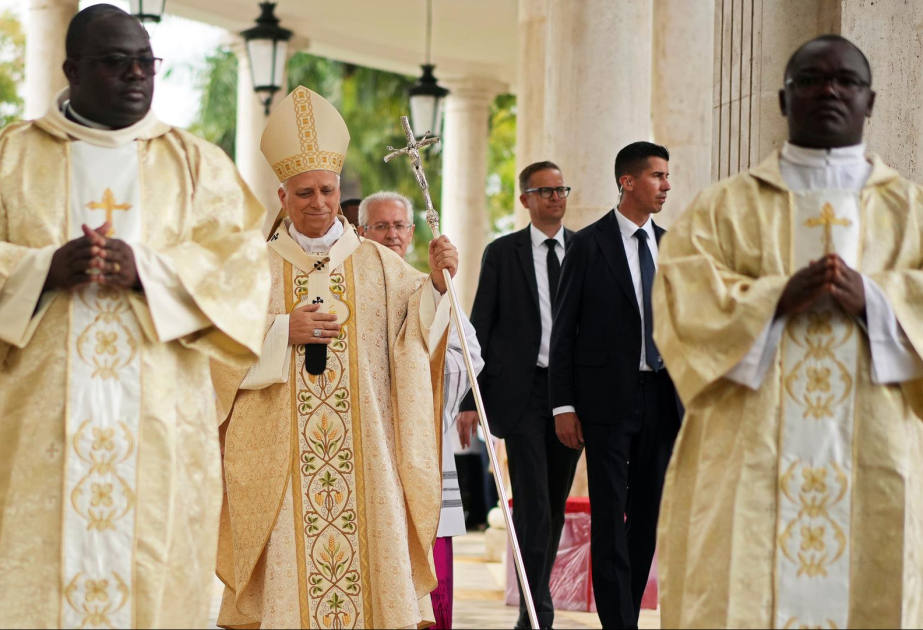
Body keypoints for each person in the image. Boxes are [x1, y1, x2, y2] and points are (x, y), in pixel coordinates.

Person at [0, 5, 270, 627]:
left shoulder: (195, 164)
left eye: (146, 62)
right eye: (116, 62)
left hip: (158, 427)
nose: (136, 76)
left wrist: (148, 271)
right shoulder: (13, 157)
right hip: (37, 429)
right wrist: (42, 270)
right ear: (71, 68)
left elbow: (242, 268)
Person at [653, 35, 923, 628]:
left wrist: (875, 301)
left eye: (845, 80)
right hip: (750, 455)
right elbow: (681, 300)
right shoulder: (722, 208)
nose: (829, 90)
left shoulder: (911, 210)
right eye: (810, 79)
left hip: (877, 451)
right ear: (782, 98)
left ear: (871, 99)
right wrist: (775, 300)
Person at [212, 86, 460, 630]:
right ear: (282, 196)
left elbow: (417, 338)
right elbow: (218, 351)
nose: (319, 202)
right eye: (305, 193)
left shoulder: (380, 264)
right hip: (282, 461)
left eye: (327, 189)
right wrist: (281, 331)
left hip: (367, 460)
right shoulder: (251, 270)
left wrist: (438, 287)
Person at [549, 142, 681, 629]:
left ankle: (624, 612)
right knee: (610, 518)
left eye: (667, 177)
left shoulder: (673, 246)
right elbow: (564, 331)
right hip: (604, 405)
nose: (666, 186)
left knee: (646, 518)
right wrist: (563, 405)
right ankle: (619, 624)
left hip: (663, 400)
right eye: (657, 176)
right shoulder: (587, 243)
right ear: (627, 181)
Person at [458, 161, 580, 630]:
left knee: (552, 503)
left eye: (560, 190)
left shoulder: (584, 250)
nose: (554, 198)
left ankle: (535, 598)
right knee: (531, 500)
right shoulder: (502, 253)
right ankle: (537, 612)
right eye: (544, 191)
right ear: (525, 199)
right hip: (522, 392)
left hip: (569, 395)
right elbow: (480, 326)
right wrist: (472, 399)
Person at [359, 190, 484, 630]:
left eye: (399, 226)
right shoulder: (350, 286)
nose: (392, 234)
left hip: (417, 448)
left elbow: (468, 355)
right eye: (381, 226)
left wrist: (421, 384)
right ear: (361, 231)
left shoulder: (426, 283)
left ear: (413, 233)